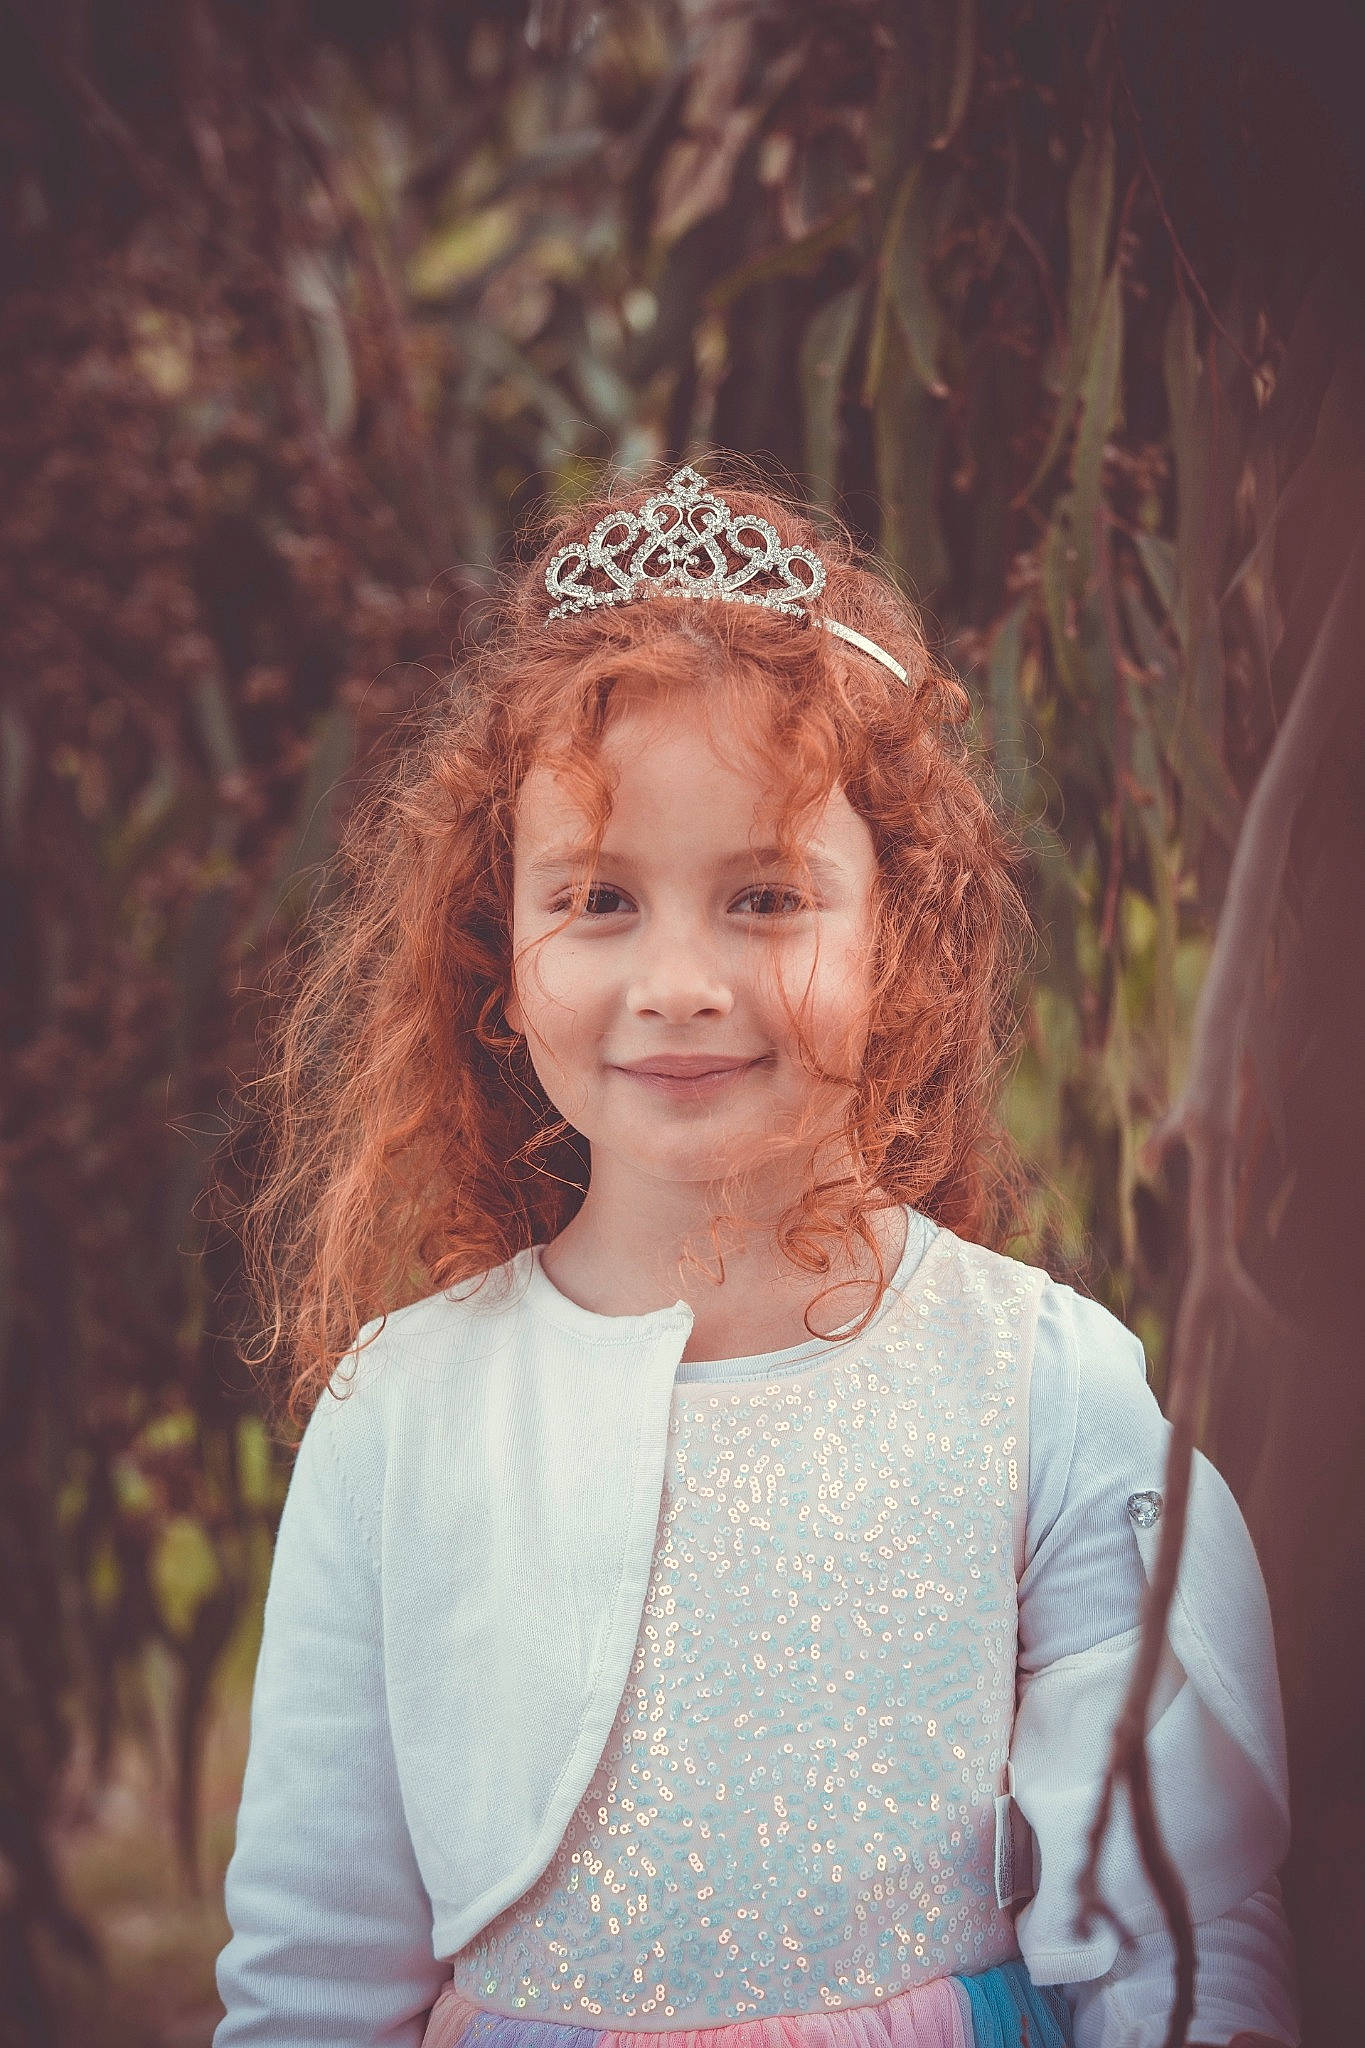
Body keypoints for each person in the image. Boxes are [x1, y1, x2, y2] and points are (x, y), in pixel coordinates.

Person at [212, 461, 1298, 2048]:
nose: (677, 979)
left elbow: (1171, 1934)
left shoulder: (1038, 1380)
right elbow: (313, 1971)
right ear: (500, 954)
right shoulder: (404, 1414)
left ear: (897, 938)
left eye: (766, 896)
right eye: (596, 898)